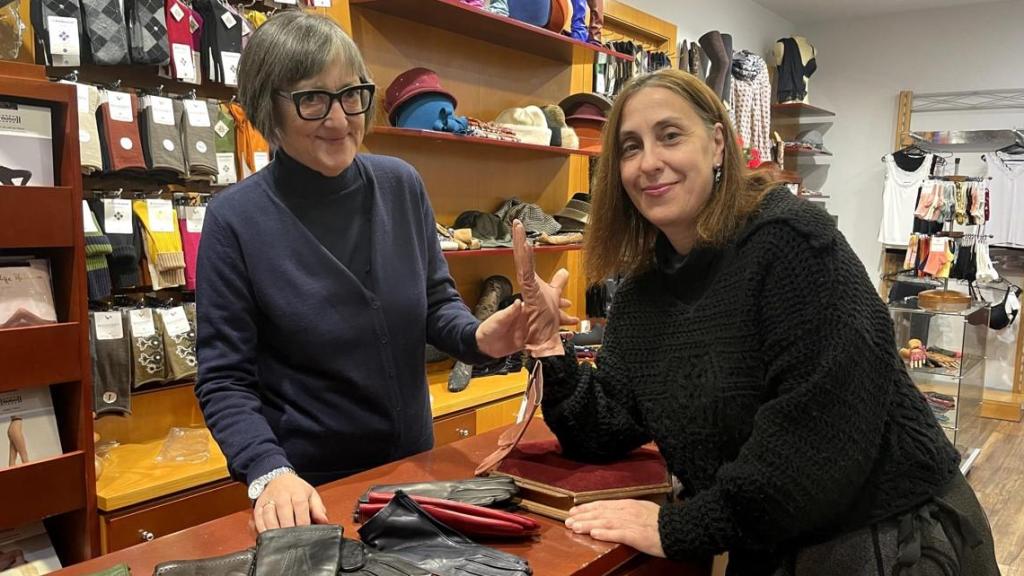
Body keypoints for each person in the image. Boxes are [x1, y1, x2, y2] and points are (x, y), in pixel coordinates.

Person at [512, 68, 999, 575]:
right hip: (775, 536)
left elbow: (817, 449)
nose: (649, 163)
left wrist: (677, 528)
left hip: (884, 539)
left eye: (670, 136)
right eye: (630, 148)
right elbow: (608, 425)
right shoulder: (645, 289)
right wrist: (550, 347)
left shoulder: (792, 243)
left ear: (718, 143)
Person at [195, 12, 524, 534]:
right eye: (311, 99)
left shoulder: (401, 185)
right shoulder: (236, 219)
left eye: (351, 94)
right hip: (310, 493)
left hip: (415, 470)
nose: (339, 118)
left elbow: (436, 305)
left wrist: (483, 336)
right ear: (267, 107)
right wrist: (268, 470)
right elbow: (224, 378)